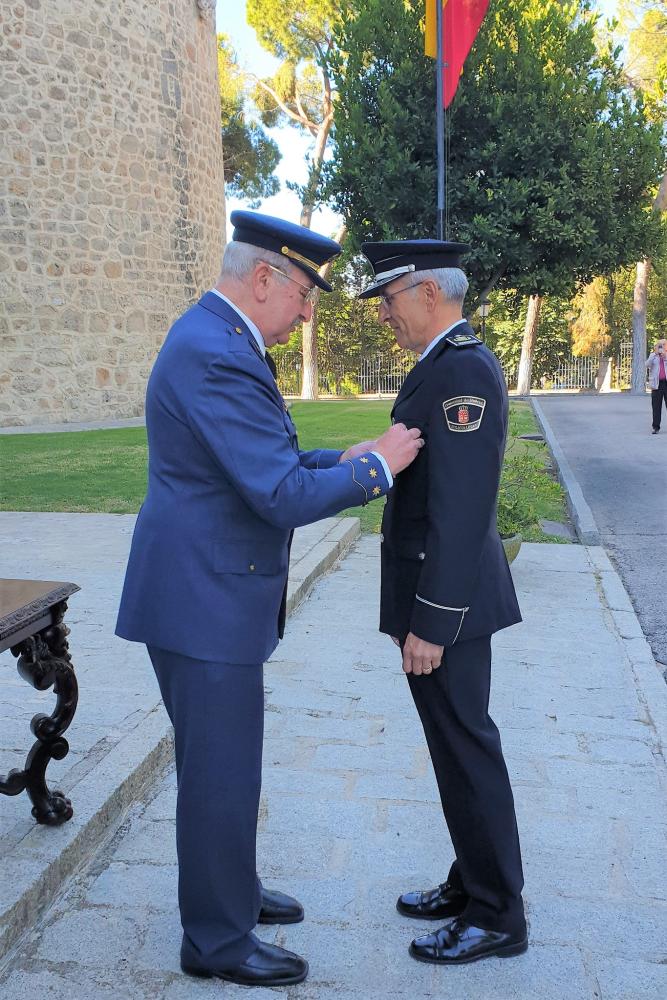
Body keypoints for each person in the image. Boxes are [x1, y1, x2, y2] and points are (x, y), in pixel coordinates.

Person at [115, 211, 423, 988]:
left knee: (223, 766)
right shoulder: (217, 353)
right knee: (220, 772)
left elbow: (260, 456)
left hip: (200, 591)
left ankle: (233, 894)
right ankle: (215, 941)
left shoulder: (214, 340)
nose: (307, 312)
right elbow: (277, 492)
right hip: (203, 600)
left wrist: (336, 454)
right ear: (263, 279)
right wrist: (375, 470)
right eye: (304, 294)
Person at [358, 239, 527, 965]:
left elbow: (460, 512)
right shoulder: (441, 366)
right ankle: (472, 881)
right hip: (432, 599)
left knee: (466, 751)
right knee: (452, 750)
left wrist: (430, 623)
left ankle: (497, 915)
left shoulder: (461, 370)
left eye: (390, 301)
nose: (384, 317)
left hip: (445, 609)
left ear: (429, 293)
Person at [646, 339, 667, 434]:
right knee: (656, 407)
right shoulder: (653, 355)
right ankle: (655, 427)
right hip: (656, 384)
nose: (661, 346)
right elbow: (647, 365)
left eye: (663, 344)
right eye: (659, 345)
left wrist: (665, 357)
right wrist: (655, 354)